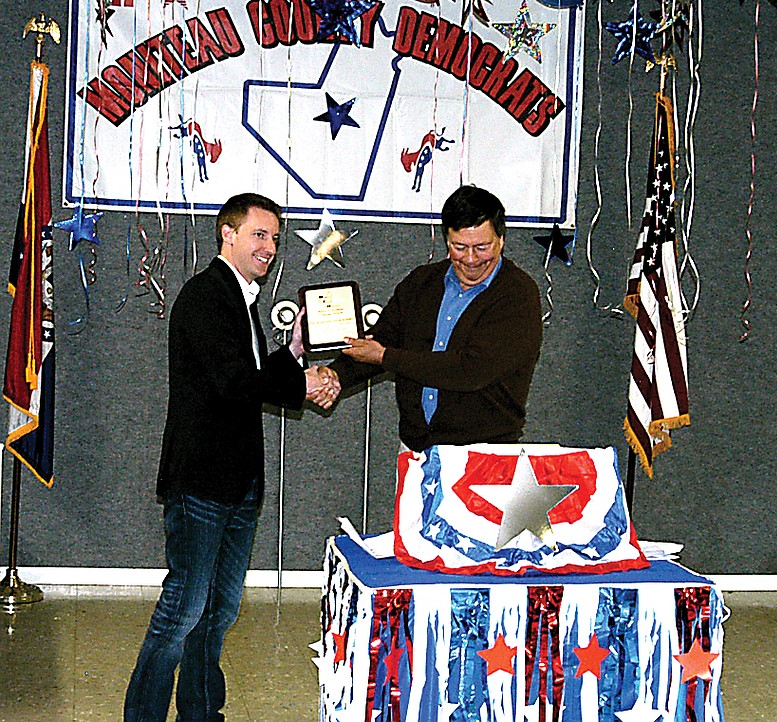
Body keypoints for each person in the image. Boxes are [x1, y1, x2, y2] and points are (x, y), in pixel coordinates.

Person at [124, 193, 338, 722]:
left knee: (217, 613)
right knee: (184, 611)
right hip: (201, 482)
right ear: (228, 234)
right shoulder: (206, 297)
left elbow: (243, 375)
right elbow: (233, 382)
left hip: (237, 485)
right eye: (259, 235)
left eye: (274, 236)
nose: (269, 246)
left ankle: (200, 712)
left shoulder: (239, 299)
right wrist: (302, 384)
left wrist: (293, 356)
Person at [310, 185, 542, 450]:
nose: (470, 258)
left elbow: (470, 371)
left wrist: (386, 357)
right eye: (459, 247)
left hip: (485, 455)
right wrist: (335, 375)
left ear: (501, 239)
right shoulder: (421, 282)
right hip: (415, 449)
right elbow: (381, 339)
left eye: (482, 247)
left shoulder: (517, 294)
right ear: (446, 240)